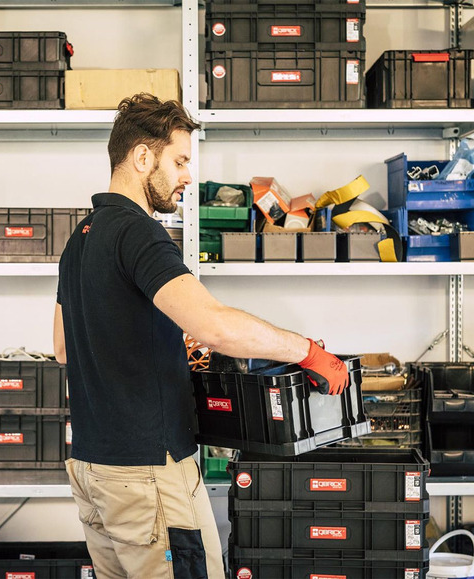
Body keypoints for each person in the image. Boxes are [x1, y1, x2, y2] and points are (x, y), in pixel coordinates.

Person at [53, 93, 349, 579]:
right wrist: (309, 352)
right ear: (142, 157)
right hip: (149, 474)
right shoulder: (139, 233)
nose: (188, 176)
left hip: (94, 471)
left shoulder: (78, 238)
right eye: (181, 160)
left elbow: (66, 348)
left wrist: (163, 343)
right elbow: (213, 324)